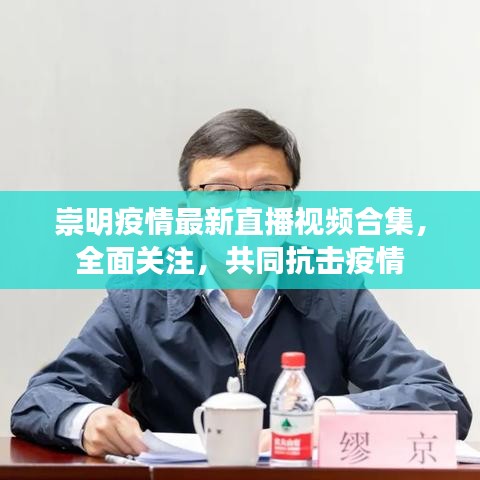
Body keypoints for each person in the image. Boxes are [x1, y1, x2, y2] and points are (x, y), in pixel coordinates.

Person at [11, 109, 472, 456]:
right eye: (220, 193)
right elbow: (40, 399)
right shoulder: (142, 292)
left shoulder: (335, 290)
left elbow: (443, 402)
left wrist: (328, 417)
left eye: (268, 192)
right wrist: (86, 419)